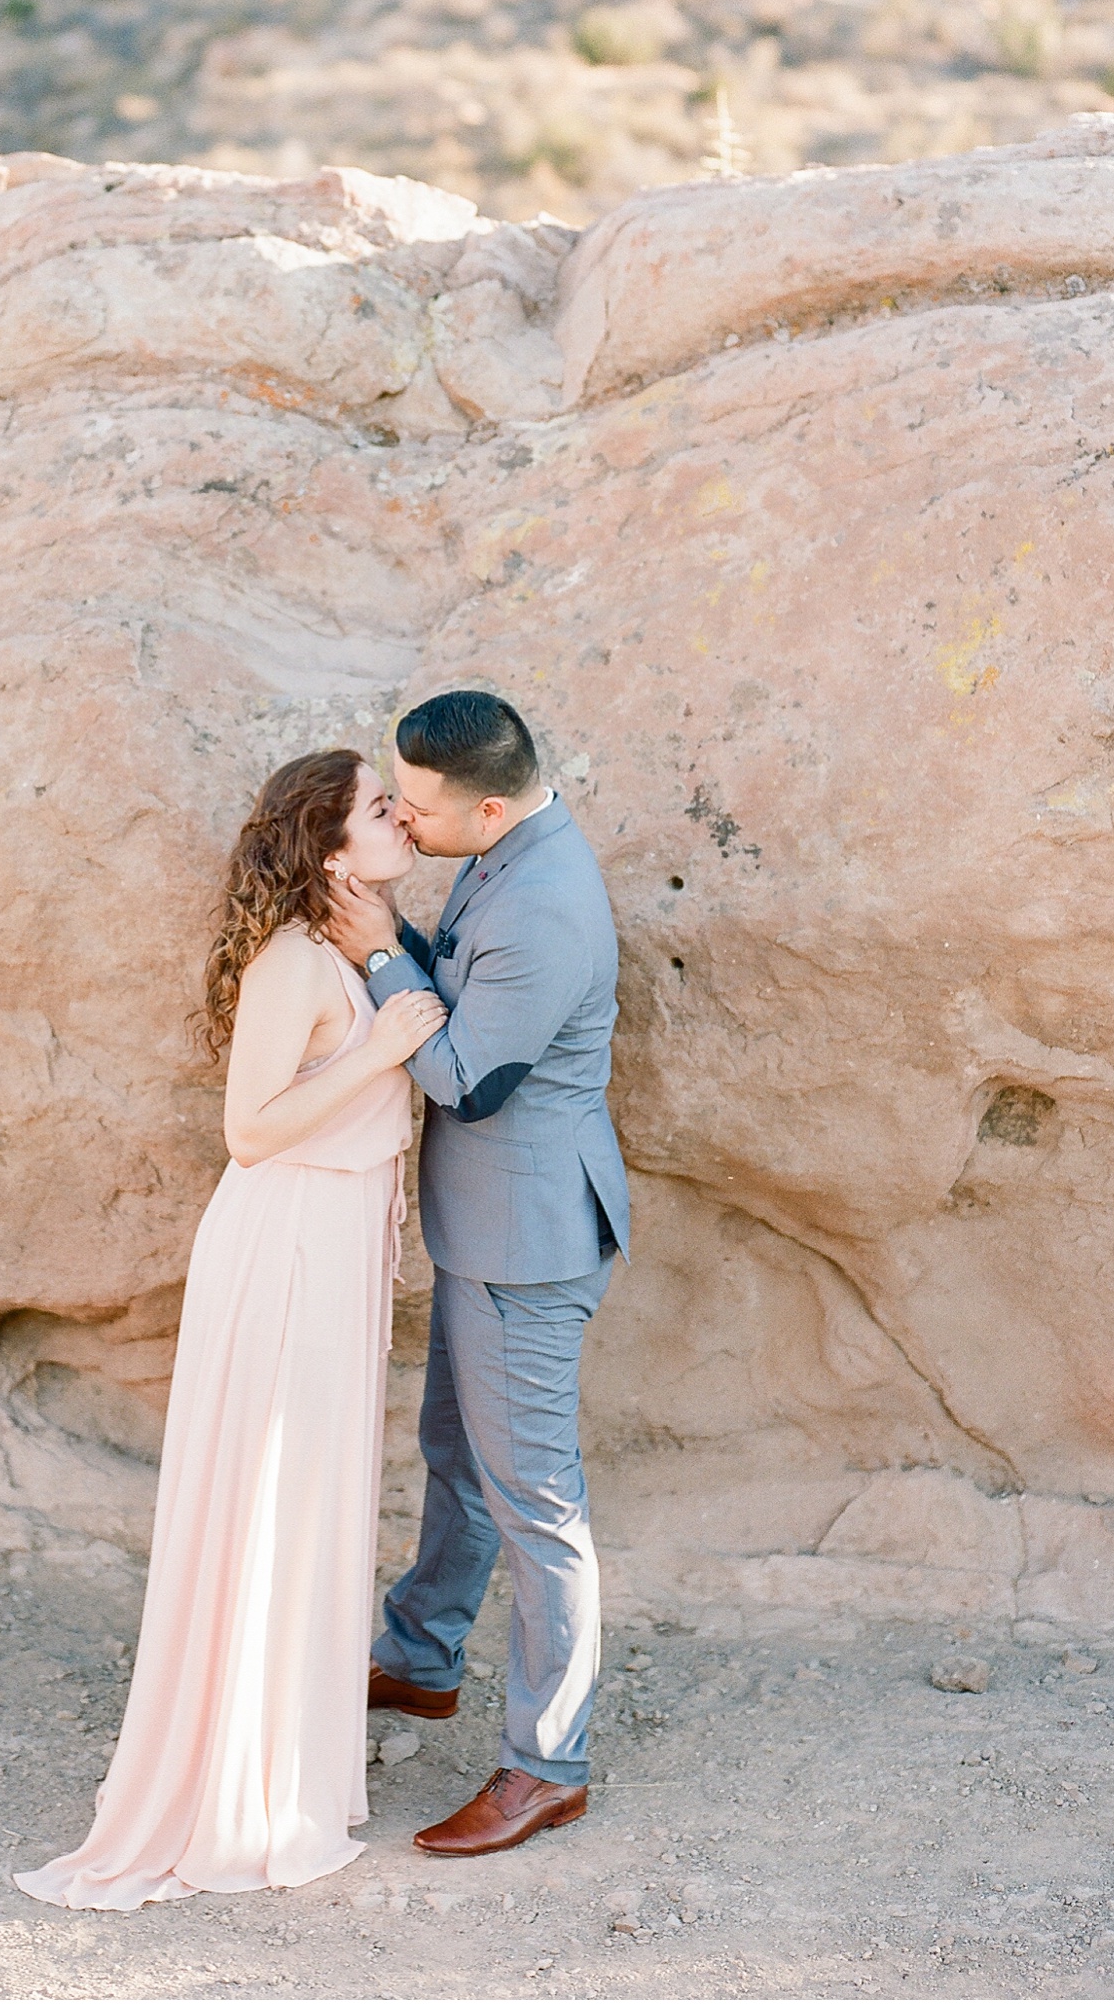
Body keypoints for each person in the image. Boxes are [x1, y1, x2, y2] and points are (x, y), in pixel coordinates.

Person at [14, 749, 447, 1911]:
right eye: (375, 809)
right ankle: (232, 1790)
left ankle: (288, 1771)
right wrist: (380, 1049)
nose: (400, 817)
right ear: (327, 848)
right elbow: (250, 1131)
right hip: (287, 1249)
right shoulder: (293, 964)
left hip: (337, 1244)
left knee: (312, 1507)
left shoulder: (354, 947)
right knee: (270, 1502)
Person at [324, 689, 626, 1859]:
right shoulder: (508, 844)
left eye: (417, 802)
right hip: (486, 1224)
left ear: (487, 806)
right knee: (454, 1453)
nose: (398, 811)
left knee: (537, 1504)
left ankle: (545, 1767)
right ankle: (419, 1656)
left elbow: (462, 1076)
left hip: (526, 1240)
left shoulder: (543, 905)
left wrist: (376, 954)